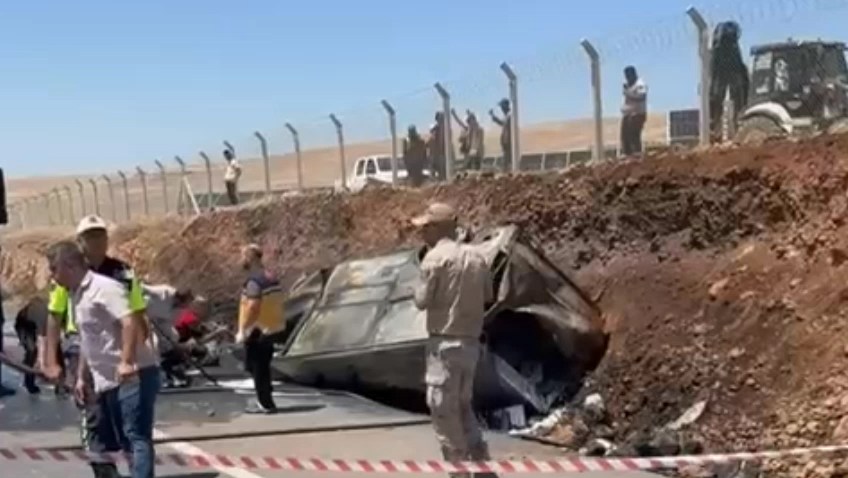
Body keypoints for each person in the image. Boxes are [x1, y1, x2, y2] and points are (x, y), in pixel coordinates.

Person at [44, 240, 160, 478]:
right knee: (124, 439)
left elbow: (129, 321)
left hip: (135, 374)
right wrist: (81, 377)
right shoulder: (76, 295)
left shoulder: (104, 288)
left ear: (69, 265)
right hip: (109, 380)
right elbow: (88, 340)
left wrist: (126, 361)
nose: (52, 276)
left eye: (54, 269)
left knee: (135, 436)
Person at [411, 203, 497, 478]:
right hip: (470, 344)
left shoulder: (434, 259)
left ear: (438, 228)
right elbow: (488, 295)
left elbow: (421, 300)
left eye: (426, 227)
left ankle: (458, 470)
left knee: (443, 411)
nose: (422, 233)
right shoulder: (478, 257)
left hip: (444, 346)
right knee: (462, 407)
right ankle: (481, 464)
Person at [236, 244, 286, 414]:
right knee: (259, 365)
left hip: (258, 329)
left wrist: (244, 329)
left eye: (243, 257)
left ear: (250, 258)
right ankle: (266, 393)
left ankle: (265, 403)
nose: (241, 260)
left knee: (256, 366)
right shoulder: (270, 277)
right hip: (272, 327)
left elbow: (253, 306)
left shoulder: (254, 282)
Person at [13, 295, 49, 394]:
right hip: (23, 324)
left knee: (45, 349)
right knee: (32, 350)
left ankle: (31, 367)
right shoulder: (42, 314)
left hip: (33, 322)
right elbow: (42, 338)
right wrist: (41, 362)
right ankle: (28, 382)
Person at [620, 65, 648, 158]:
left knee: (633, 135)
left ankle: (636, 154)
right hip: (628, 114)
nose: (627, 78)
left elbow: (641, 96)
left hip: (637, 114)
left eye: (628, 76)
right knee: (625, 136)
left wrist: (628, 93)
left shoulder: (640, 84)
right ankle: (627, 154)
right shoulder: (628, 85)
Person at [489, 99, 512, 173]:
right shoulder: (507, 116)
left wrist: (506, 141)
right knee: (506, 160)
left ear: (505, 106)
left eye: (502, 107)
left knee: (507, 160)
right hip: (505, 141)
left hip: (508, 142)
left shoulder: (510, 116)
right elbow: (502, 123)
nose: (501, 109)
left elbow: (504, 124)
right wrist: (493, 116)